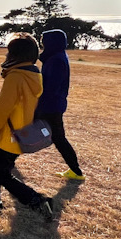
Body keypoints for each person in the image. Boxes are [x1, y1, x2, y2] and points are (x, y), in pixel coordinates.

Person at [0, 32, 54, 221]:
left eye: (8, 52)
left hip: (9, 136)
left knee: (0, 172)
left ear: (15, 55)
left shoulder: (16, 77)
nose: (6, 56)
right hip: (20, 133)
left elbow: (2, 109)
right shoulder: (32, 73)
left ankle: (37, 201)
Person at [36, 29, 84, 180]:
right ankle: (76, 171)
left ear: (52, 42)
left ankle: (4, 163)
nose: (42, 43)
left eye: (44, 41)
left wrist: (38, 106)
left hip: (50, 106)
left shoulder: (56, 60)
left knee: (24, 129)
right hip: (53, 105)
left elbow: (51, 87)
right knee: (59, 139)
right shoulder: (56, 56)